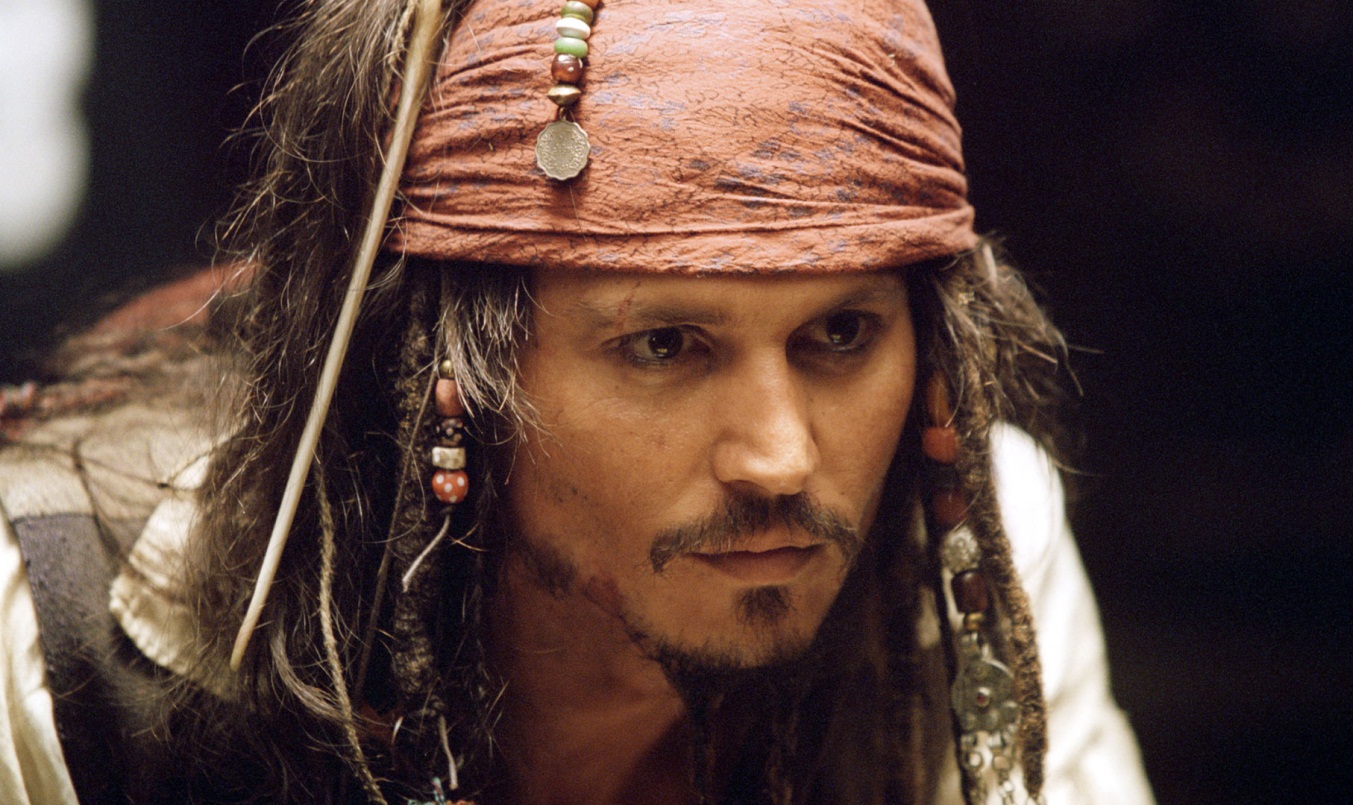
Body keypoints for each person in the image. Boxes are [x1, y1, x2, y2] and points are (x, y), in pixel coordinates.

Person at [0, 0, 1153, 802]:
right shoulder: (56, 640)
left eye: (841, 335)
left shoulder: (966, 541)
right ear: (456, 374)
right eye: (663, 344)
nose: (779, 457)